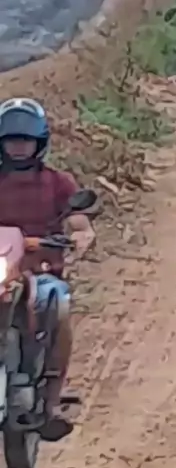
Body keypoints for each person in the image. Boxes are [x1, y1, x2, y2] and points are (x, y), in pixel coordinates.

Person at [0, 98, 95, 441]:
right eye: (12, 140)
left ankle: (51, 402)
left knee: (60, 306)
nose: (18, 147)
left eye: (25, 141)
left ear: (39, 143)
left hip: (40, 273)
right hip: (2, 273)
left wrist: (81, 234)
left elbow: (78, 219)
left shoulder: (58, 182)